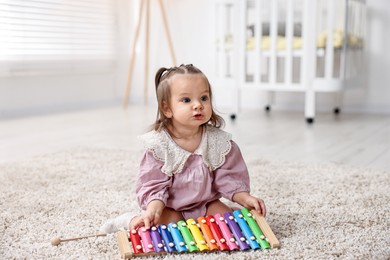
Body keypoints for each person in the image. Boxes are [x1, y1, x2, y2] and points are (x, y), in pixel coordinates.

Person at [130, 64, 266, 231]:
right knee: (164, 227)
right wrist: (153, 211)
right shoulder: (159, 146)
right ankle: (129, 220)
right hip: (170, 207)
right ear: (167, 108)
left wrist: (246, 198)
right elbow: (154, 186)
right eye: (186, 100)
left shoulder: (218, 142)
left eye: (203, 98)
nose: (198, 105)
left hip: (206, 204)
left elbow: (228, 178)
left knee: (230, 224)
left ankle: (224, 215)